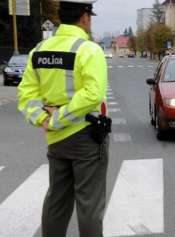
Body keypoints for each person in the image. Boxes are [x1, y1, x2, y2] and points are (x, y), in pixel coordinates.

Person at [17, 1, 110, 236]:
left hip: (54, 138)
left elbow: (26, 94)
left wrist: (42, 119)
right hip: (85, 136)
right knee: (89, 204)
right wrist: (59, 119)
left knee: (57, 200)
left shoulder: (39, 49)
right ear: (85, 18)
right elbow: (92, 94)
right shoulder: (89, 50)